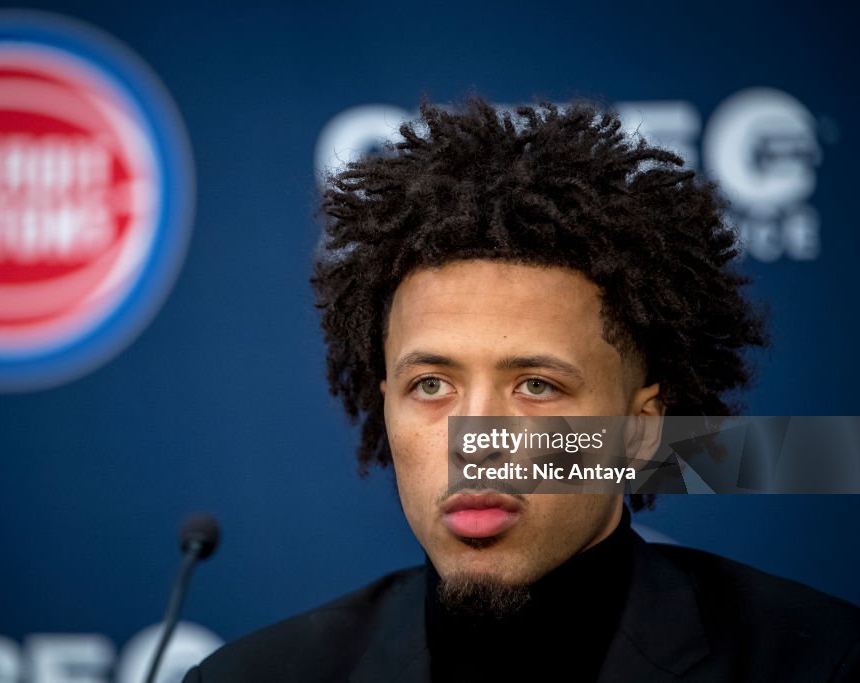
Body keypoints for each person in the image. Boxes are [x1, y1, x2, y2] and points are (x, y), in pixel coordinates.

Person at [183, 98, 860, 681]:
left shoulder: (820, 662)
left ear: (644, 428)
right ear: (384, 401)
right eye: (431, 384)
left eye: (536, 385)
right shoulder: (250, 676)